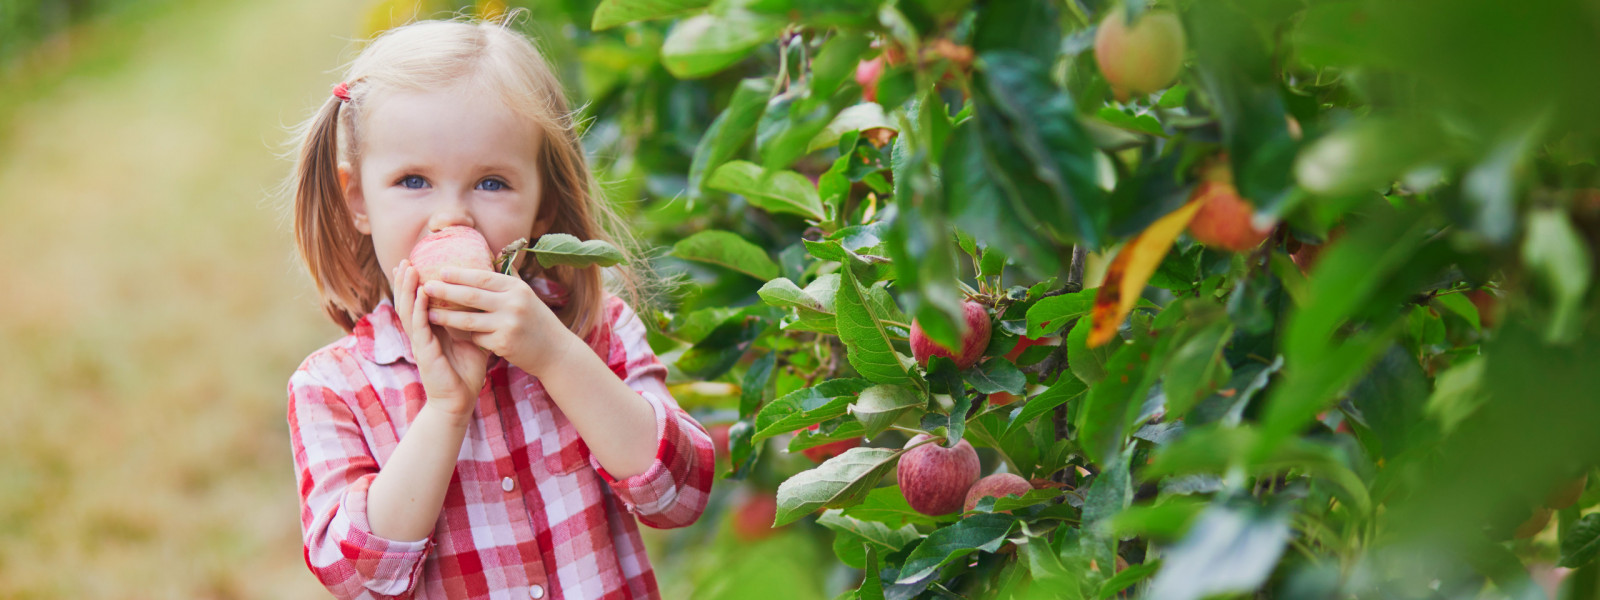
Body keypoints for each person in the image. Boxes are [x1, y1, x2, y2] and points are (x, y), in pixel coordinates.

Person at [281, 14, 712, 600]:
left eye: (491, 183)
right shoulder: (332, 387)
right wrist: (446, 409)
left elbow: (679, 495)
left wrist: (556, 357)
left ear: (541, 205)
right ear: (358, 199)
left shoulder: (593, 332)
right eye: (413, 181)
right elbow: (357, 576)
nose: (452, 216)